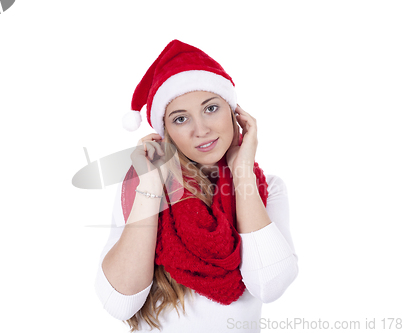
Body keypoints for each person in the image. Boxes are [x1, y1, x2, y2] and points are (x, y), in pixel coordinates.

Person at [94, 39, 298, 333]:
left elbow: (270, 285)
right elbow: (120, 303)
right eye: (180, 118)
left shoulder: (268, 188)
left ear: (234, 113)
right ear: (166, 132)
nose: (201, 129)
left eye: (211, 108)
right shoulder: (140, 185)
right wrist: (151, 186)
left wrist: (242, 176)